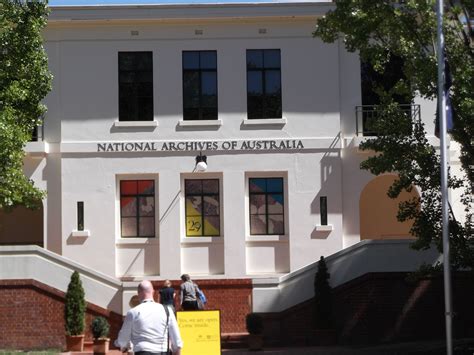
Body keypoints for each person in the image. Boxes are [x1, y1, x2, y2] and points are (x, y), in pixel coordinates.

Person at [115, 280, 183, 355]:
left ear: (138, 294)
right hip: (162, 351)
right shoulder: (167, 310)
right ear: (153, 292)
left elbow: (123, 340)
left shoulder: (133, 312)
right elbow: (177, 342)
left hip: (142, 351)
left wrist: (121, 344)